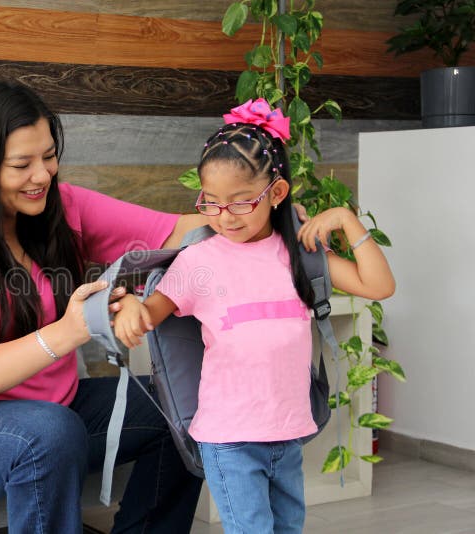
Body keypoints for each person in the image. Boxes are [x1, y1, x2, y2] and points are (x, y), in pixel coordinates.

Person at [0, 79, 207, 533]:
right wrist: (72, 329)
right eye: (21, 164)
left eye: (49, 156)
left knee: (185, 411)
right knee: (49, 432)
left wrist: (263, 217)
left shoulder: (60, 207)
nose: (42, 175)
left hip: (49, 412)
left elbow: (174, 232)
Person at [111, 99, 395, 534]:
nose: (224, 216)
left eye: (241, 203)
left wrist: (346, 221)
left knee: (288, 528)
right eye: (212, 203)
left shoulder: (299, 255)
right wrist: (131, 305)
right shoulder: (199, 261)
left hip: (288, 431)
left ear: (276, 194)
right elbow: (152, 311)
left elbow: (379, 286)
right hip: (230, 438)